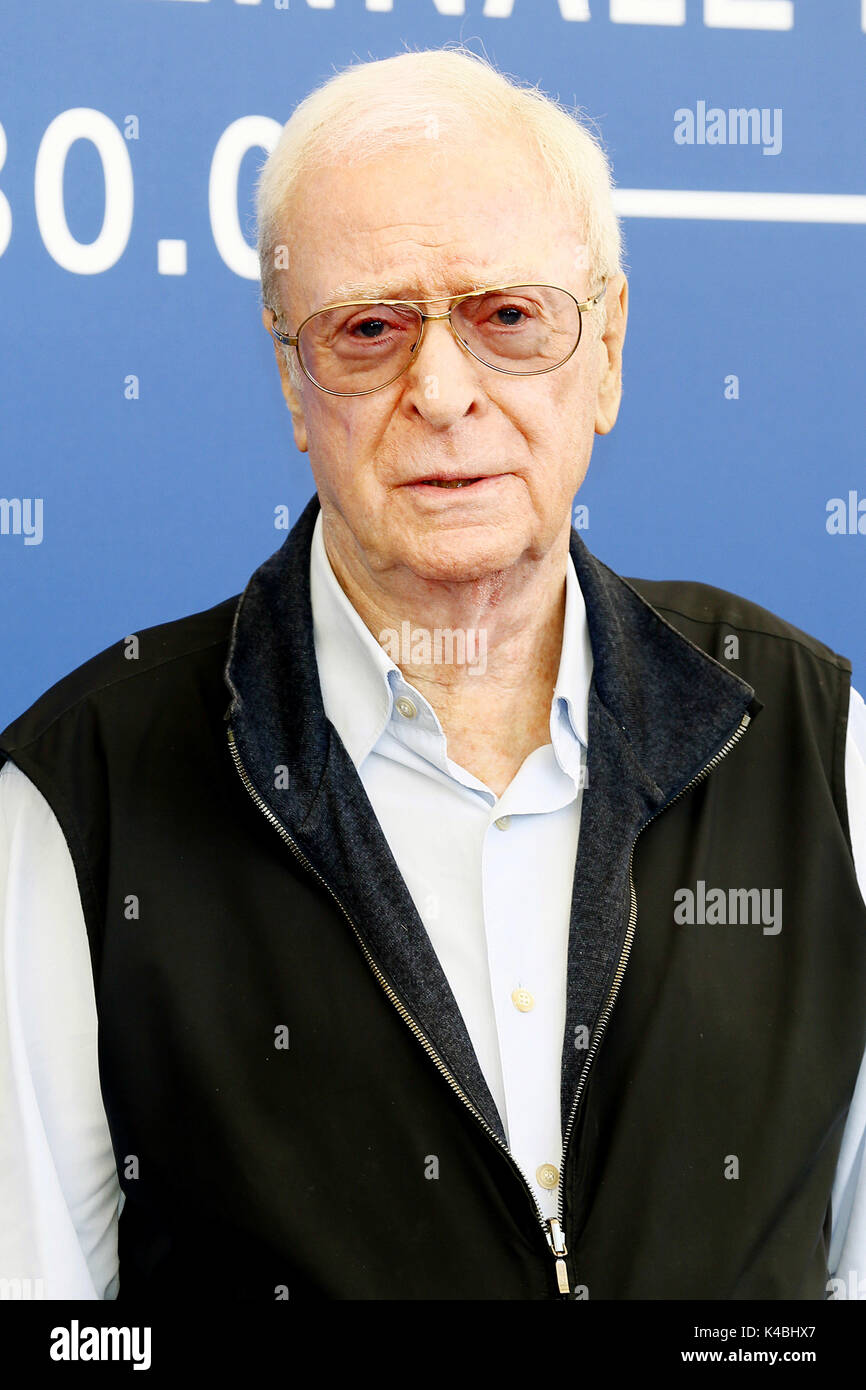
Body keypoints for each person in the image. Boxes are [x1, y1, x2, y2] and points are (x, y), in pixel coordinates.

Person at [1, 45, 865, 1301]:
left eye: (508, 317)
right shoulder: (73, 806)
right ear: (294, 380)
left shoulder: (816, 742)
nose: (443, 391)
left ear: (606, 349)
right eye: (369, 330)